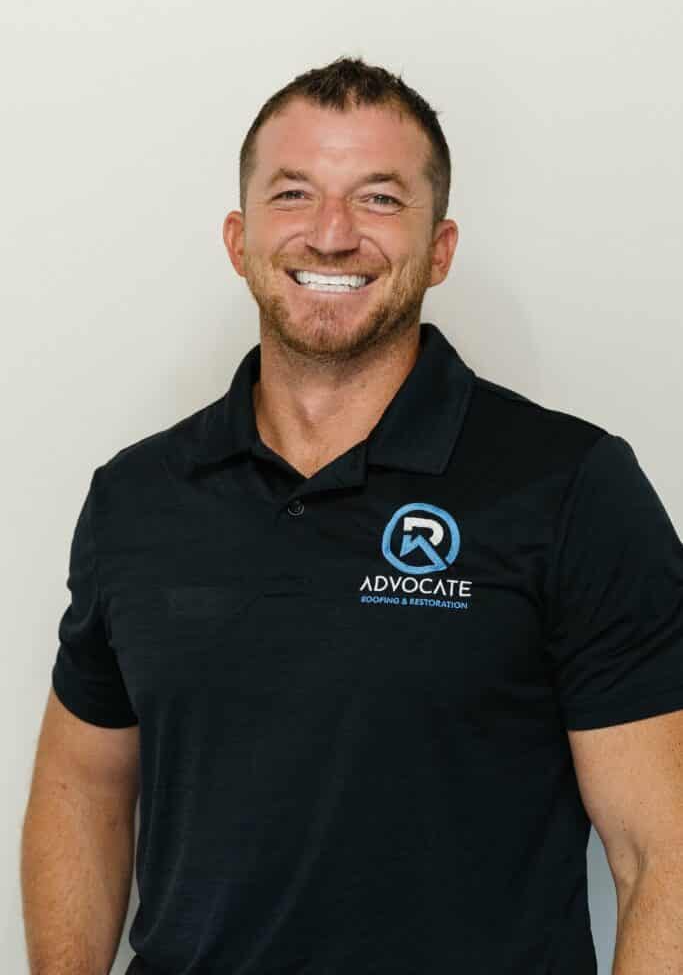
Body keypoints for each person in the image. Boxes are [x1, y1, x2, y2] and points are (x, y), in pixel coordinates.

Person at [21, 56, 683, 975]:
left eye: (379, 199)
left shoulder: (569, 486)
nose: (330, 235)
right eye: (293, 194)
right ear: (238, 236)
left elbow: (662, 855)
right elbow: (83, 786)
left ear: (440, 247)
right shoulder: (138, 496)